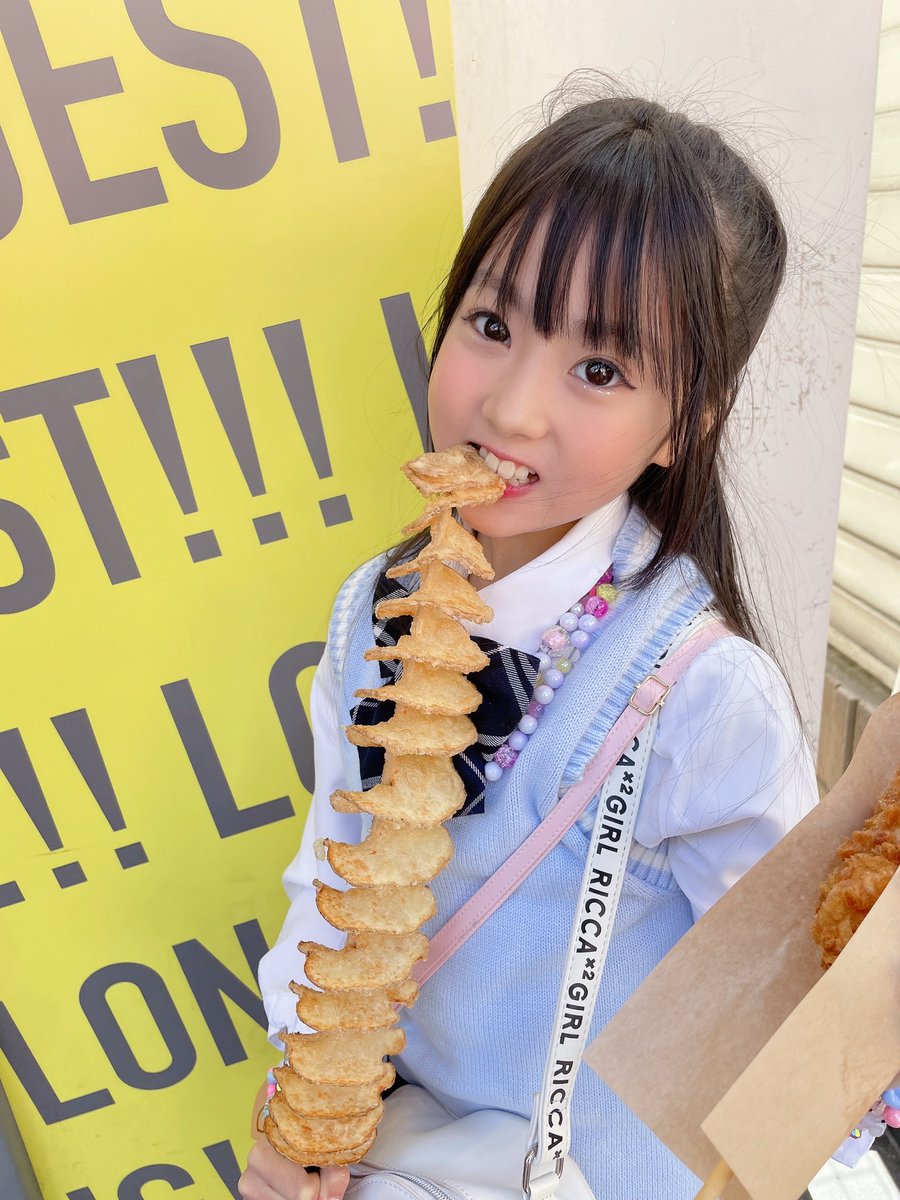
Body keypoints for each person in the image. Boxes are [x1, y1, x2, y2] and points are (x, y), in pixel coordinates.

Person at [239, 87, 819, 1200]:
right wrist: (302, 1109)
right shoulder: (370, 612)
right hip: (398, 1164)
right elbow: (329, 869)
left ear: (688, 420)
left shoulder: (703, 697)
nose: (510, 411)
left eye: (599, 371)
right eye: (493, 326)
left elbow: (786, 1026)